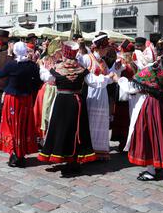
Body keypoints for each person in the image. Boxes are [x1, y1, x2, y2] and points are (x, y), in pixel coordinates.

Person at [38, 41, 116, 175]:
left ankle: (61, 155)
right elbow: (96, 82)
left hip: (61, 103)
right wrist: (109, 78)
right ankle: (73, 160)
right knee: (77, 131)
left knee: (61, 129)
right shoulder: (81, 69)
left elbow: (45, 77)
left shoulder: (57, 68)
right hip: (77, 103)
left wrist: (42, 67)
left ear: (64, 52)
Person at [113, 60, 163, 181]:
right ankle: (158, 164)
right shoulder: (161, 73)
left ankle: (151, 170)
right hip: (159, 106)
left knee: (147, 136)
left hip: (148, 107)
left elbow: (131, 88)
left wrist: (118, 79)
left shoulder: (146, 73)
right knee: (158, 135)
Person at [0, 41, 42, 167]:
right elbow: (37, 82)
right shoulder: (32, 65)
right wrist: (29, 89)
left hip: (13, 99)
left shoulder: (12, 65)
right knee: (23, 125)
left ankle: (14, 153)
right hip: (26, 99)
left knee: (11, 125)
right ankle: (21, 154)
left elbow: (0, 74)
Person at [110, 41, 137, 152]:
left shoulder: (124, 63)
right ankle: (126, 141)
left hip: (125, 91)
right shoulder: (132, 63)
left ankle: (124, 141)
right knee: (127, 116)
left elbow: (115, 74)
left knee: (124, 116)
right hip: (128, 92)